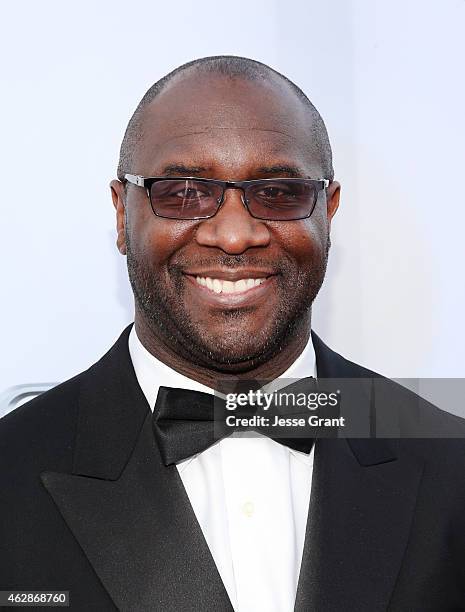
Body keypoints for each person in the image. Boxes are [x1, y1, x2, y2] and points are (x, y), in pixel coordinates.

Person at [1, 55, 465, 612]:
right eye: (183, 192)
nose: (235, 234)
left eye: (277, 193)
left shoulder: (449, 462)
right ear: (123, 214)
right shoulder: (11, 473)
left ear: (328, 211)